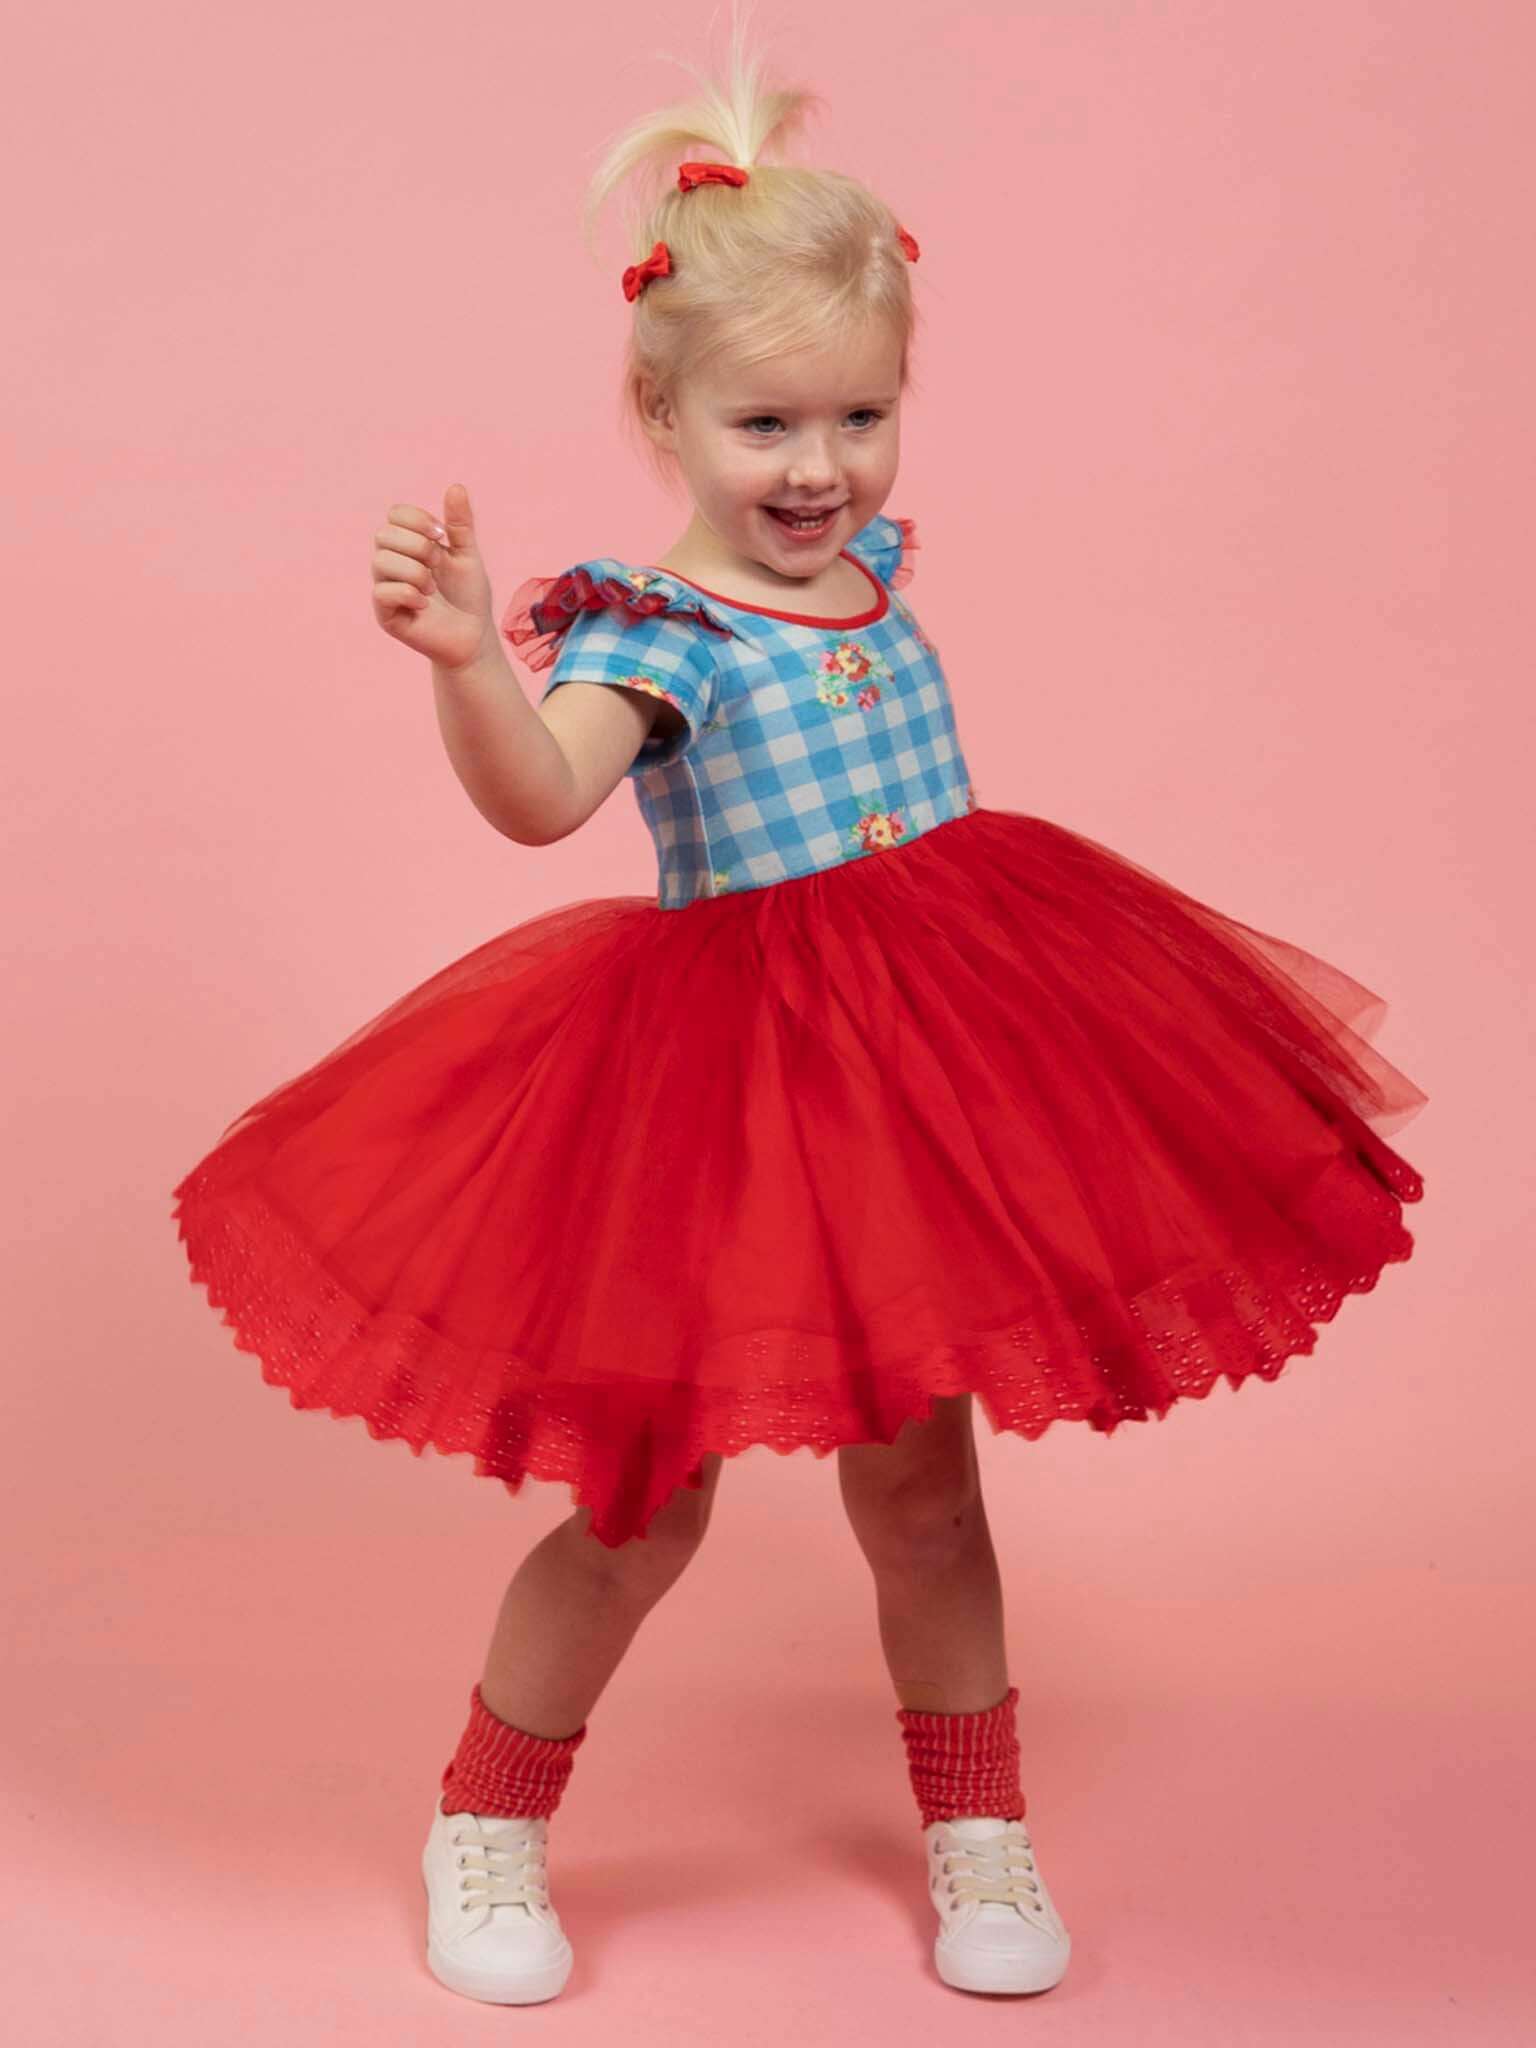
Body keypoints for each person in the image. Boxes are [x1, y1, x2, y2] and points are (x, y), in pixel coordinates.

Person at [169, 11, 1428, 2012]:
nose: (819, 471)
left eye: (858, 420)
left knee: (926, 1487)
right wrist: (457, 666)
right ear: (657, 416)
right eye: (767, 431)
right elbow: (542, 798)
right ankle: (486, 1812)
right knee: (642, 1504)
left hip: (932, 1083)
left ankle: (977, 1818)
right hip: (726, 1106)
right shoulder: (655, 633)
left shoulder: (869, 571)